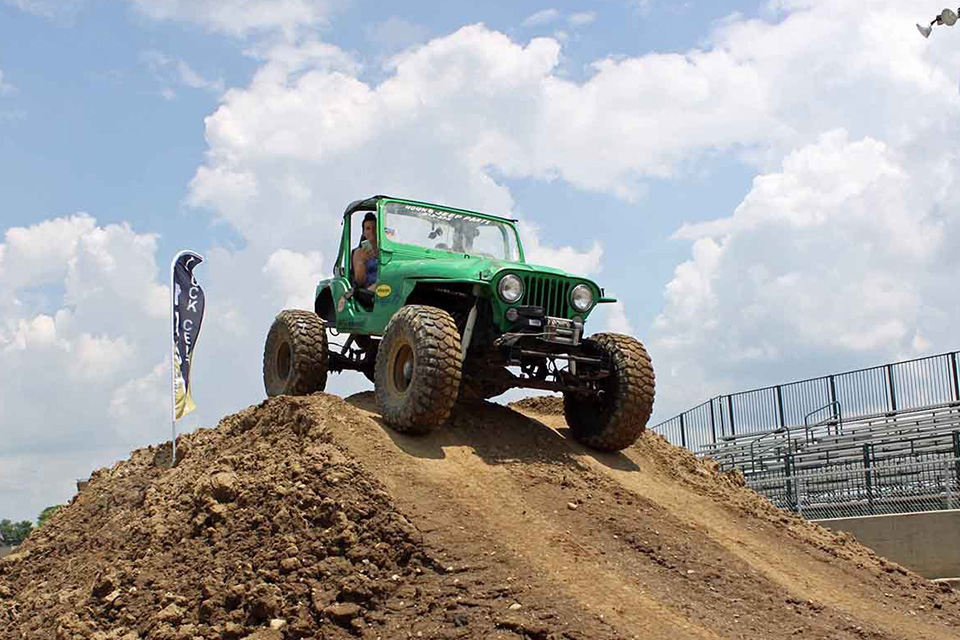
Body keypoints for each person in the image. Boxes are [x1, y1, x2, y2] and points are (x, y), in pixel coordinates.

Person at [352, 212, 378, 290]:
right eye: (368, 228)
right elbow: (359, 282)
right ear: (364, 233)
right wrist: (362, 262)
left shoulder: (387, 250)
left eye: (375, 228)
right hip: (369, 291)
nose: (372, 231)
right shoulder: (358, 252)